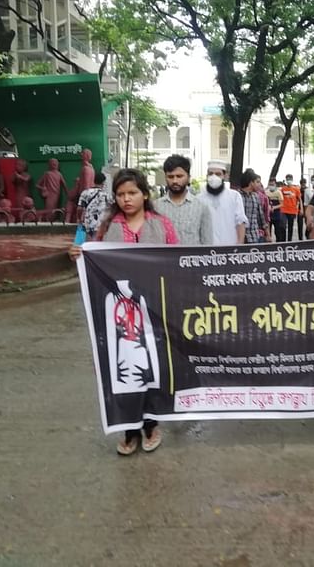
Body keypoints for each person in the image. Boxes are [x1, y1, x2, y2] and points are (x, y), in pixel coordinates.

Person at [69, 168, 178, 456]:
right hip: (120, 315)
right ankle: (129, 430)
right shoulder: (108, 228)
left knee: (154, 370)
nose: (126, 199)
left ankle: (151, 425)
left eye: (132, 193)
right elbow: (92, 258)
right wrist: (80, 254)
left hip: (154, 311)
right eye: (120, 194)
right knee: (124, 371)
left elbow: (176, 263)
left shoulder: (162, 226)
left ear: (145, 193)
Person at [153, 154, 213, 245]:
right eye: (170, 176)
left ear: (188, 178)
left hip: (192, 258)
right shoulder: (156, 207)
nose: (175, 181)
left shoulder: (201, 207)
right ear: (165, 177)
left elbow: (207, 243)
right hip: (164, 258)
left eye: (179, 176)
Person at [199, 161, 247, 245]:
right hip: (206, 250)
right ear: (207, 176)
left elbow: (240, 222)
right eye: (211, 174)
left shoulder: (234, 196)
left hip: (229, 248)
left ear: (225, 176)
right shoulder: (199, 198)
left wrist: (239, 245)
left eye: (218, 174)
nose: (214, 177)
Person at [76, 172, 110, 240]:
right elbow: (111, 209)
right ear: (103, 182)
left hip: (87, 223)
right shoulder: (106, 195)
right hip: (100, 224)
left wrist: (79, 218)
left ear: (94, 181)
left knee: (82, 244)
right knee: (96, 245)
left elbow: (79, 208)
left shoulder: (85, 193)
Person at [239, 169, 268, 243]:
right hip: (240, 238)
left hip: (254, 237)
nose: (260, 185)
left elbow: (262, 217)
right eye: (257, 182)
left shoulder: (256, 196)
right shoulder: (237, 196)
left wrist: (268, 234)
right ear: (251, 182)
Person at [280, 174, 301, 241]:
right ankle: (283, 240)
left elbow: (299, 199)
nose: (289, 180)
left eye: (290, 179)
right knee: (283, 225)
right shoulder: (283, 189)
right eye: (287, 179)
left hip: (292, 210)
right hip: (284, 210)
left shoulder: (296, 189)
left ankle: (289, 240)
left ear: (292, 179)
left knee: (290, 226)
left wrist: (301, 209)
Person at [265, 176, 285, 242]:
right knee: (268, 231)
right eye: (270, 184)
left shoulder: (278, 192)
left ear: (275, 184)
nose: (271, 186)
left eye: (273, 184)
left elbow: (282, 204)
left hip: (277, 214)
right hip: (268, 214)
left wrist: (274, 207)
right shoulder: (266, 192)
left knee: (278, 232)